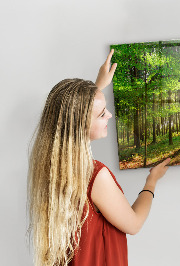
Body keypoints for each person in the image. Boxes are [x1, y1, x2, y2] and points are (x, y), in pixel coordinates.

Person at [27, 49, 170, 266]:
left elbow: (73, 114)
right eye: (102, 113)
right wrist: (152, 181)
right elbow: (134, 224)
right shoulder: (95, 175)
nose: (109, 115)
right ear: (81, 123)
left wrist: (97, 86)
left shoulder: (50, 164)